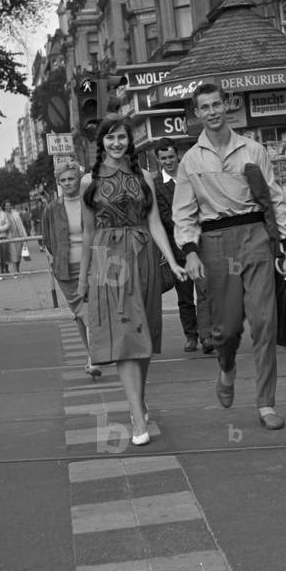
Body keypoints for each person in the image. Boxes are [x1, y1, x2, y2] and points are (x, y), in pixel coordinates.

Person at [172, 84, 286, 431]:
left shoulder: (254, 150)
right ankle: (226, 368)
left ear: (226, 106)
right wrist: (191, 252)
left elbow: (275, 200)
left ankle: (266, 403)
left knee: (264, 321)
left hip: (256, 237)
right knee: (225, 330)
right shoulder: (190, 161)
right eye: (205, 107)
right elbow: (183, 213)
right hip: (215, 242)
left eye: (217, 104)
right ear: (197, 114)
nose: (212, 112)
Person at [78, 116, 187, 446]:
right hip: (108, 262)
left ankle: (139, 400)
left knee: (145, 335)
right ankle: (137, 416)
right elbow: (87, 233)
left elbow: (155, 224)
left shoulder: (145, 177)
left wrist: (172, 262)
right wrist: (83, 279)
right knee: (125, 336)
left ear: (130, 141)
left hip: (144, 259)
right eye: (110, 138)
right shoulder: (89, 181)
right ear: (102, 142)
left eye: (121, 137)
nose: (116, 143)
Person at [41, 161, 101, 380]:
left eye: (71, 178)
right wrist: (59, 258)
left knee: (91, 311)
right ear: (58, 182)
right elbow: (47, 239)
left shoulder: (92, 202)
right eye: (63, 180)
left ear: (79, 179)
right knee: (79, 314)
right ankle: (90, 355)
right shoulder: (52, 209)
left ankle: (93, 358)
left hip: (94, 263)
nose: (67, 183)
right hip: (65, 269)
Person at [153, 140, 212, 354]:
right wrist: (186, 224)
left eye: (171, 157)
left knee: (205, 291)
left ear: (177, 156)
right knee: (185, 296)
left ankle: (207, 335)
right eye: (163, 158)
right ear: (157, 160)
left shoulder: (190, 177)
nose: (168, 161)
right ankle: (191, 335)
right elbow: (164, 217)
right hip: (178, 251)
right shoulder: (157, 184)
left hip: (202, 245)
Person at [4, 201, 27, 276]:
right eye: (7, 205)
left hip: (18, 235)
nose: (9, 207)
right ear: (4, 207)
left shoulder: (15, 213)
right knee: (13, 254)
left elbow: (20, 224)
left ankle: (17, 268)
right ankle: (15, 271)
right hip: (10, 236)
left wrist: (23, 234)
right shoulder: (3, 215)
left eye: (9, 205)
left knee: (19, 254)